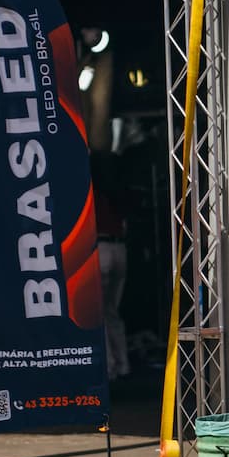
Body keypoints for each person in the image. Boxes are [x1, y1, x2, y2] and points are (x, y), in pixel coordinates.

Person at [91, 154, 131, 383]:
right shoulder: (118, 191)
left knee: (99, 312)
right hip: (119, 248)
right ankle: (123, 364)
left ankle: (109, 367)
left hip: (101, 247)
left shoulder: (92, 193)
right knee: (112, 311)